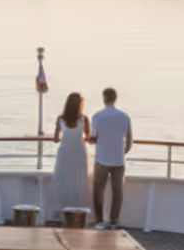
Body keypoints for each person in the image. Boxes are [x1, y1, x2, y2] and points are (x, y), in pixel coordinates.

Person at [89, 87, 133, 229]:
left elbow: (93, 138)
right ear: (115, 98)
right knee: (117, 191)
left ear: (104, 98)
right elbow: (129, 139)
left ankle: (100, 221)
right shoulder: (125, 116)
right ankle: (114, 221)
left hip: (102, 159)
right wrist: (124, 151)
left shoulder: (97, 116)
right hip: (118, 160)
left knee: (98, 191)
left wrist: (91, 141)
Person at [51, 91, 92, 220]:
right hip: (79, 152)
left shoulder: (60, 119)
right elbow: (88, 136)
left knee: (63, 180)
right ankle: (78, 211)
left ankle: (63, 209)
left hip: (65, 152)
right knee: (79, 181)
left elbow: (56, 138)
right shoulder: (84, 119)